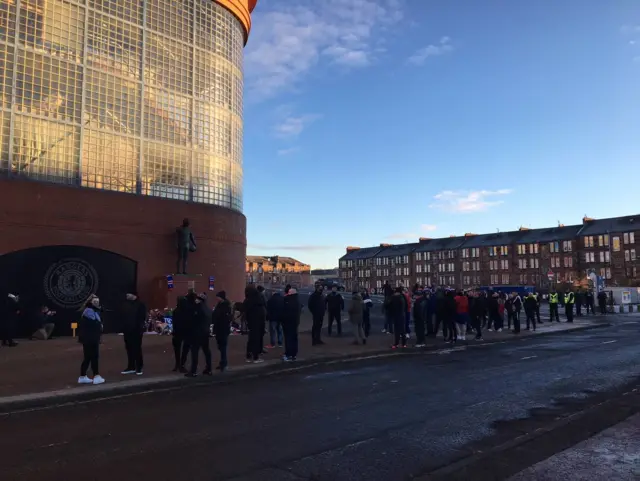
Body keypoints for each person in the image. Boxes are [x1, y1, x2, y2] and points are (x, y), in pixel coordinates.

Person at [78, 296, 105, 385]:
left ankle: (82, 376)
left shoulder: (90, 310)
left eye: (98, 301)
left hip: (89, 338)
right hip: (91, 338)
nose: (97, 303)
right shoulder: (89, 311)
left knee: (88, 357)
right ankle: (96, 376)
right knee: (94, 357)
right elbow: (95, 323)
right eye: (95, 301)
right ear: (91, 302)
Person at [120, 291, 147, 375]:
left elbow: (142, 318)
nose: (126, 295)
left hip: (136, 331)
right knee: (129, 348)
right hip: (127, 330)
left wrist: (139, 328)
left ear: (134, 295)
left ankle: (139, 367)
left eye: (128, 294)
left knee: (137, 348)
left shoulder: (140, 305)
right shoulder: (125, 304)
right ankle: (131, 366)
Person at [186, 292, 213, 376]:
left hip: (197, 333)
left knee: (195, 351)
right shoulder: (208, 309)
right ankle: (209, 368)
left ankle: (193, 371)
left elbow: (192, 321)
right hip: (205, 333)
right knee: (206, 351)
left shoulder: (197, 308)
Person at [243, 285, 266, 363]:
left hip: (251, 322)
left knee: (251, 339)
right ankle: (256, 357)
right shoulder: (258, 299)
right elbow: (262, 312)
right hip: (258, 322)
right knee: (256, 339)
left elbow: (245, 311)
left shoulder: (247, 300)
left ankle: (248, 356)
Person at [212, 291, 232, 372]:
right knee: (220, 346)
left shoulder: (226, 306)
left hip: (223, 329)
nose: (217, 298)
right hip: (219, 329)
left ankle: (224, 363)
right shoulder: (220, 304)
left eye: (218, 297)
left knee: (223, 347)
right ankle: (222, 363)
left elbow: (222, 317)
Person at [171, 296, 190, 372]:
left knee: (177, 350)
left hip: (177, 332)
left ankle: (177, 364)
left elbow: (174, 323)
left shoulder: (176, 311)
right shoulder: (188, 311)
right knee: (185, 349)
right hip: (185, 332)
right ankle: (182, 364)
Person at [282, 285, 301, 361]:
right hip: (295, 322)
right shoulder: (297, 301)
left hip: (287, 322)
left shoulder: (287, 300)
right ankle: (294, 354)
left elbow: (284, 311)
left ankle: (288, 354)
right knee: (294, 338)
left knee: (288, 339)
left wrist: (283, 320)